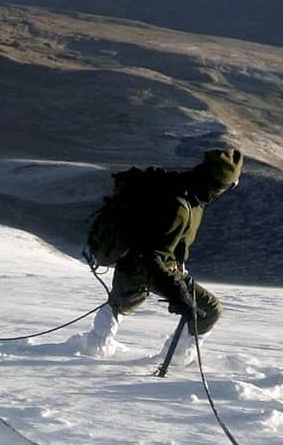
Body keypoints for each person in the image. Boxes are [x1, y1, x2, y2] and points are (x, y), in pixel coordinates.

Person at [83, 148, 243, 363]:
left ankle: (94, 350)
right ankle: (177, 361)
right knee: (209, 310)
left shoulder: (188, 193)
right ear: (219, 183)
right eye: (228, 186)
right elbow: (151, 255)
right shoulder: (179, 206)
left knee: (119, 304)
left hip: (143, 264)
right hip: (146, 267)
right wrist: (176, 291)